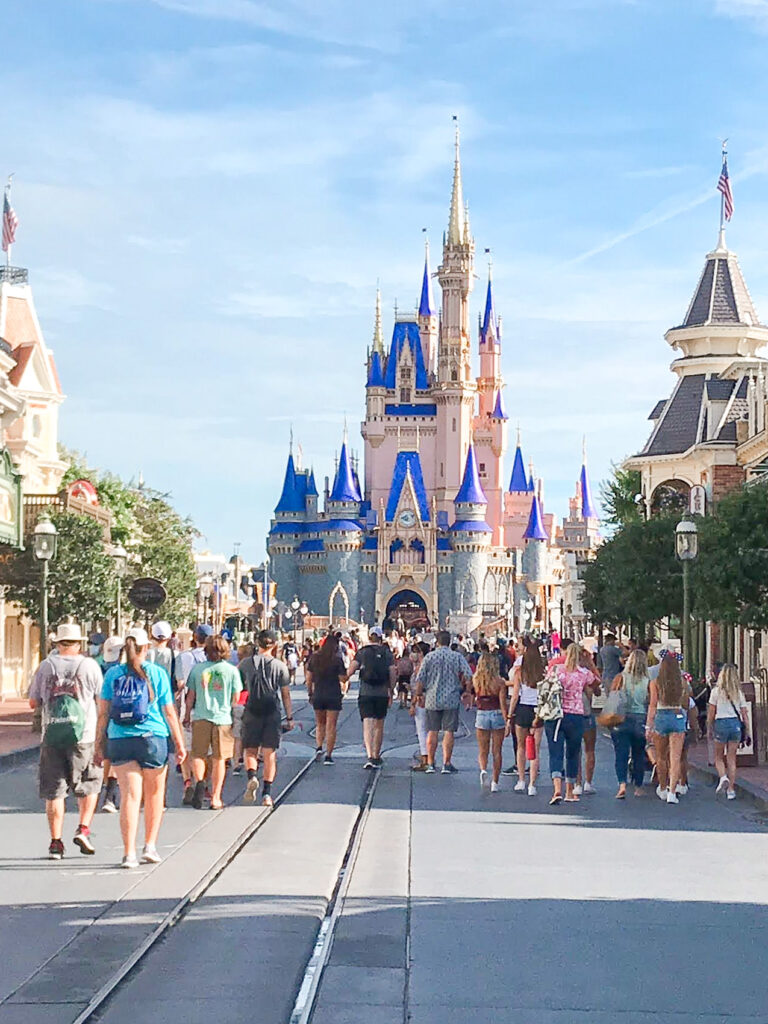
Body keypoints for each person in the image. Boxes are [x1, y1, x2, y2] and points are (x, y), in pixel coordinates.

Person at [96, 627, 187, 867]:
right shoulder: (156, 673)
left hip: (120, 739)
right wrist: (179, 743)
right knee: (154, 795)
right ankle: (150, 846)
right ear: (146, 648)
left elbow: (103, 714)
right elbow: (169, 711)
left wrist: (98, 745)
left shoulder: (112, 675)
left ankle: (129, 853)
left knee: (129, 796)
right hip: (153, 738)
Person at [29, 622, 105, 860]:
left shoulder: (45, 666)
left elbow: (33, 702)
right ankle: (83, 828)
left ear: (58, 643)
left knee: (54, 791)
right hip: (83, 736)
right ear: (79, 643)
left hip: (52, 735)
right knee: (88, 783)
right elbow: (101, 700)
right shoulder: (89, 665)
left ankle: (55, 842)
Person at [185, 635, 243, 809]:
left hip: (201, 716)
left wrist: (187, 715)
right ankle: (216, 797)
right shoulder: (232, 671)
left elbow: (190, 696)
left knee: (198, 755)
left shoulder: (197, 669)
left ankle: (201, 782)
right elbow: (236, 697)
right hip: (223, 719)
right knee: (219, 759)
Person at [239, 629, 293, 807]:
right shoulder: (280, 666)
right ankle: (267, 794)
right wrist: (290, 717)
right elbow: (285, 694)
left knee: (250, 750)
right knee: (270, 753)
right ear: (275, 645)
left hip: (252, 710)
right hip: (272, 712)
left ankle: (252, 776)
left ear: (257, 643)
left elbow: (238, 689)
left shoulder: (245, 664)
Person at [413, 630, 472, 775]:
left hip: (432, 699)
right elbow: (469, 675)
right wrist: (467, 691)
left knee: (432, 731)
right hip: (451, 699)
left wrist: (418, 694)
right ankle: (447, 763)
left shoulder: (429, 657)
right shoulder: (456, 656)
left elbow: (420, 679)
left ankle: (431, 763)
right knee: (449, 732)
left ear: (436, 641)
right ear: (449, 641)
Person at [544, 642, 593, 805]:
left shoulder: (556, 670)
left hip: (556, 715)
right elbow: (596, 682)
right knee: (573, 753)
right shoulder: (583, 673)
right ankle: (569, 791)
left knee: (555, 752)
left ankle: (557, 788)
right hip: (576, 715)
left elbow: (546, 686)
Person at [346, 626, 395, 769]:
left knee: (367, 725)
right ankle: (376, 755)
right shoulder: (387, 653)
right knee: (379, 725)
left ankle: (369, 755)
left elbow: (350, 671)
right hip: (381, 693)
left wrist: (342, 677)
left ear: (369, 637)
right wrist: (391, 691)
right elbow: (392, 673)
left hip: (365, 692)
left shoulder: (362, 652)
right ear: (380, 638)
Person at [175, 624, 213, 802]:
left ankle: (188, 781)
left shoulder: (184, 657)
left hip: (187, 708)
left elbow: (179, 683)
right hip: (209, 710)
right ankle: (203, 783)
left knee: (187, 749)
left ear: (195, 638)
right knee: (209, 752)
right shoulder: (216, 659)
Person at [646, 655, 688, 804]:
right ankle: (672, 791)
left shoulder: (655, 683)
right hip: (677, 716)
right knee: (675, 758)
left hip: (661, 717)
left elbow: (652, 706)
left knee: (661, 757)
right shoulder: (682, 682)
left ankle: (662, 788)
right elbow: (685, 703)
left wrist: (648, 726)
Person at [609, 649, 650, 799]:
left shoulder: (620, 678)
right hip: (640, 718)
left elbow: (612, 696)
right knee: (638, 754)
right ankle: (638, 787)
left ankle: (622, 785)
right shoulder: (648, 681)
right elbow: (650, 702)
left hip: (621, 719)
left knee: (621, 753)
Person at [507, 637, 545, 796]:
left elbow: (515, 696)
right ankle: (532, 784)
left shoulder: (519, 672)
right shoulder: (543, 673)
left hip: (523, 709)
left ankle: (521, 780)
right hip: (538, 710)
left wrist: (509, 716)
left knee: (521, 746)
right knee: (535, 749)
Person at [707, 663, 750, 800]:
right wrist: (747, 731)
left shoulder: (716, 692)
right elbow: (744, 714)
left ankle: (723, 777)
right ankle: (731, 790)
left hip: (721, 723)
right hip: (735, 724)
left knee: (718, 756)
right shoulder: (738, 693)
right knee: (732, 758)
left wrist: (709, 727)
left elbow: (711, 713)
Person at [305, 632, 347, 764]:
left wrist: (310, 693)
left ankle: (318, 747)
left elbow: (308, 678)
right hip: (333, 694)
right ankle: (328, 755)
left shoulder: (315, 658)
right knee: (331, 725)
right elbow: (342, 679)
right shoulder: (337, 660)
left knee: (320, 723)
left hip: (319, 694)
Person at [472, 651, 508, 792]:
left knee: (483, 749)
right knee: (497, 751)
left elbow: (476, 697)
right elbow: (503, 704)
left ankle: (483, 770)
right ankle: (495, 782)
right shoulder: (499, 682)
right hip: (497, 714)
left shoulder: (476, 680)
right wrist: (508, 721)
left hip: (482, 714)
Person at [99, 635, 124, 814]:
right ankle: (110, 793)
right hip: (119, 716)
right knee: (116, 757)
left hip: (101, 715)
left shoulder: (98, 665)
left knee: (108, 755)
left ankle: (108, 787)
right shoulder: (121, 670)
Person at [574, 646, 602, 796]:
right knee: (590, 750)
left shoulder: (567, 672)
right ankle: (588, 783)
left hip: (572, 714)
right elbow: (597, 691)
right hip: (587, 713)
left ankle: (577, 782)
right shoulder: (587, 674)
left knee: (575, 750)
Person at [232, 642, 254, 775]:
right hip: (250, 702)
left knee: (237, 735)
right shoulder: (254, 667)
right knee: (250, 733)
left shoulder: (236, 669)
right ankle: (250, 760)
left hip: (238, 701)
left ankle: (236, 762)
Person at [409, 641, 431, 772]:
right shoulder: (428, 665)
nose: (412, 654)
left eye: (414, 651)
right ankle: (428, 758)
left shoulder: (420, 668)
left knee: (422, 731)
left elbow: (419, 687)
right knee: (428, 730)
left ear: (420, 653)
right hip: (429, 700)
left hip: (420, 701)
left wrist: (412, 704)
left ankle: (425, 759)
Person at [597, 633, 623, 699]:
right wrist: (621, 646)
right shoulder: (613, 649)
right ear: (611, 640)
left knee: (608, 697)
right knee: (615, 697)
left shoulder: (602, 649)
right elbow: (625, 653)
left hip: (605, 675)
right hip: (614, 675)